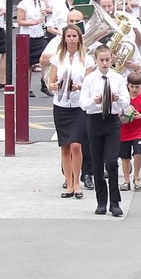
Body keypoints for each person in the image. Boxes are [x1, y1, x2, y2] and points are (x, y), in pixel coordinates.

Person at [80, 44, 130, 217]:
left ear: (112, 59)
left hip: (112, 122)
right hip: (94, 121)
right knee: (97, 164)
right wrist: (95, 100)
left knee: (111, 162)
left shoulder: (117, 78)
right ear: (96, 60)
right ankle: (101, 201)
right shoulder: (90, 79)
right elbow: (83, 104)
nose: (104, 63)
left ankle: (115, 202)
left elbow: (126, 102)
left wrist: (118, 99)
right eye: (101, 60)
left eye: (107, 60)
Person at [49, 24, 95, 199]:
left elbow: (91, 83)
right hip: (60, 105)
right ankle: (68, 184)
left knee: (76, 145)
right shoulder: (57, 58)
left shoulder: (87, 59)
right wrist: (55, 86)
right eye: (68, 36)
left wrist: (79, 86)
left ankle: (77, 182)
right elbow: (51, 82)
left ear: (79, 38)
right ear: (64, 38)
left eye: (74, 36)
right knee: (65, 147)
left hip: (79, 106)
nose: (71, 39)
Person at [119, 72, 141, 192]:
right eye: (132, 86)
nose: (134, 89)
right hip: (124, 132)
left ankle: (136, 176)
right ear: (128, 86)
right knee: (125, 157)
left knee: (138, 153)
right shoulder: (124, 99)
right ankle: (126, 180)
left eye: (137, 87)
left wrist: (140, 116)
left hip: (137, 131)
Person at [16, 0, 48, 98]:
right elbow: (20, 21)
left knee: (46, 59)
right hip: (27, 36)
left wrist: (43, 17)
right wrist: (33, 22)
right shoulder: (23, 4)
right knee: (27, 64)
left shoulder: (41, 4)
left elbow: (43, 20)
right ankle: (27, 88)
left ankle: (44, 83)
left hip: (39, 35)